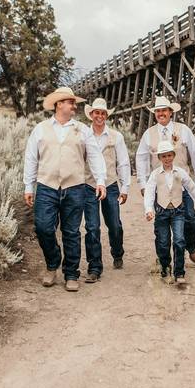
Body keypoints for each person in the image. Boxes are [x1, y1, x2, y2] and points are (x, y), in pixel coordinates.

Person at [23, 86, 107, 292]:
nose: (74, 105)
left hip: (74, 186)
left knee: (71, 231)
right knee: (43, 227)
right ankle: (52, 263)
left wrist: (101, 180)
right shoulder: (41, 129)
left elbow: (95, 155)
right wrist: (28, 185)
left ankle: (71, 273)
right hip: (46, 186)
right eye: (71, 102)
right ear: (59, 104)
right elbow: (31, 157)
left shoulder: (83, 130)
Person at [135, 96, 195, 263]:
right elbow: (141, 158)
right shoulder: (149, 134)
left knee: (191, 219)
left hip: (182, 185)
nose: (161, 113)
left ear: (170, 112)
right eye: (158, 111)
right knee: (161, 225)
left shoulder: (184, 130)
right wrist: (143, 183)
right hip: (160, 187)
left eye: (164, 110)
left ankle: (191, 245)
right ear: (155, 114)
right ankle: (163, 257)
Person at [81, 98, 131, 279]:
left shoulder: (116, 136)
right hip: (89, 185)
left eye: (103, 113)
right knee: (92, 227)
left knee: (114, 225)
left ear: (106, 115)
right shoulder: (84, 135)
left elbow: (123, 162)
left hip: (110, 184)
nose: (99, 116)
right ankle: (95, 267)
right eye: (96, 113)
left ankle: (117, 253)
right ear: (91, 115)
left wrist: (125, 187)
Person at [144, 140, 195, 285]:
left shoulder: (180, 172)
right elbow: (149, 192)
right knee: (163, 242)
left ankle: (179, 272)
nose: (167, 159)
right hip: (162, 212)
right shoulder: (155, 174)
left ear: (173, 155)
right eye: (164, 156)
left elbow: (191, 188)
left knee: (179, 240)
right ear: (159, 158)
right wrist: (148, 209)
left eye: (169, 155)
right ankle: (165, 266)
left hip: (178, 211)